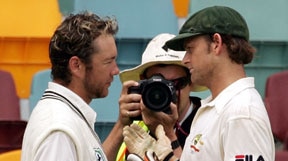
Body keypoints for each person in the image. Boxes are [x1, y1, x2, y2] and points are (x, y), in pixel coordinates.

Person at [123, 6, 275, 161]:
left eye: (190, 49)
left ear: (216, 43)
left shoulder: (241, 113)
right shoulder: (215, 107)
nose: (185, 59)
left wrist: (167, 158)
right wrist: (168, 143)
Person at [21, 11, 130, 161]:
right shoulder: (60, 130)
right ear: (76, 65)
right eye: (108, 62)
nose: (116, 70)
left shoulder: (66, 117)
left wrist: (121, 126)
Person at [116, 33, 207, 160]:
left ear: (191, 81)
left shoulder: (207, 123)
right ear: (142, 82)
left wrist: (168, 135)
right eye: (156, 84)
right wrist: (121, 123)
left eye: (175, 84)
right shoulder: (135, 130)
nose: (166, 92)